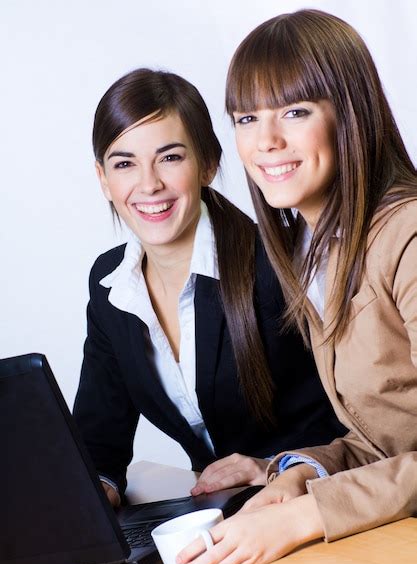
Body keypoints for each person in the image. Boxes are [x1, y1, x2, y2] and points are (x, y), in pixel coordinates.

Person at [178, 8, 417, 564]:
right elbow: (385, 439)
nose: (266, 142)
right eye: (246, 117)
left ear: (350, 114)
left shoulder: (406, 235)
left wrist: (309, 516)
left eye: (296, 111)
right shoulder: (312, 249)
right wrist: (296, 475)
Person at [73, 68, 344, 507]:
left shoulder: (281, 261)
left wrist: (274, 465)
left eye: (170, 157)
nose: (148, 184)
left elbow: (363, 419)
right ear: (104, 178)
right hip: (224, 518)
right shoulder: (110, 283)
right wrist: (95, 491)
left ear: (209, 164)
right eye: (124, 164)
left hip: (318, 504)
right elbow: (99, 435)